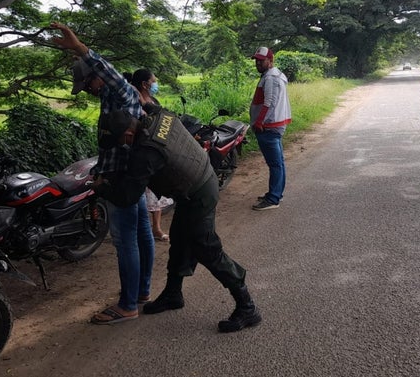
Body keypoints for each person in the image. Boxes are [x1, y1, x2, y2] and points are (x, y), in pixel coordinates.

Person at [95, 107, 262, 333]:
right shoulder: (159, 116)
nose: (121, 146)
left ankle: (247, 306)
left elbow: (127, 197)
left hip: (200, 194)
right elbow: (154, 107)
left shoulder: (146, 153)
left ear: (128, 134)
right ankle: (173, 294)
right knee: (180, 239)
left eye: (119, 142)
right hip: (196, 184)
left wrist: (101, 188)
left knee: (207, 250)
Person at [50, 22, 155, 325]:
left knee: (126, 242)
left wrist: (81, 49)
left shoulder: (122, 93)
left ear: (98, 77)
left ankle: (128, 305)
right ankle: (141, 292)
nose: (88, 91)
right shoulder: (112, 99)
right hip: (129, 177)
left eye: (88, 85)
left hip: (121, 181)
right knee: (142, 233)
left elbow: (111, 74)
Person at [128, 68, 171, 242]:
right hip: (143, 153)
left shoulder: (152, 100)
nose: (155, 84)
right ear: (145, 84)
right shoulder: (136, 103)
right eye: (153, 81)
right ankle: (145, 231)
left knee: (155, 193)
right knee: (144, 195)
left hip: (155, 151)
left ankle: (156, 228)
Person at [249, 47, 291, 211]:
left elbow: (270, 103)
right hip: (274, 125)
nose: (258, 63)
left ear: (270, 60)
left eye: (261, 60)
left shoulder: (271, 78)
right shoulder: (274, 75)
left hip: (269, 127)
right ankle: (276, 193)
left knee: (275, 164)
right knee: (278, 163)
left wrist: (259, 122)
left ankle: (273, 198)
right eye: (256, 60)